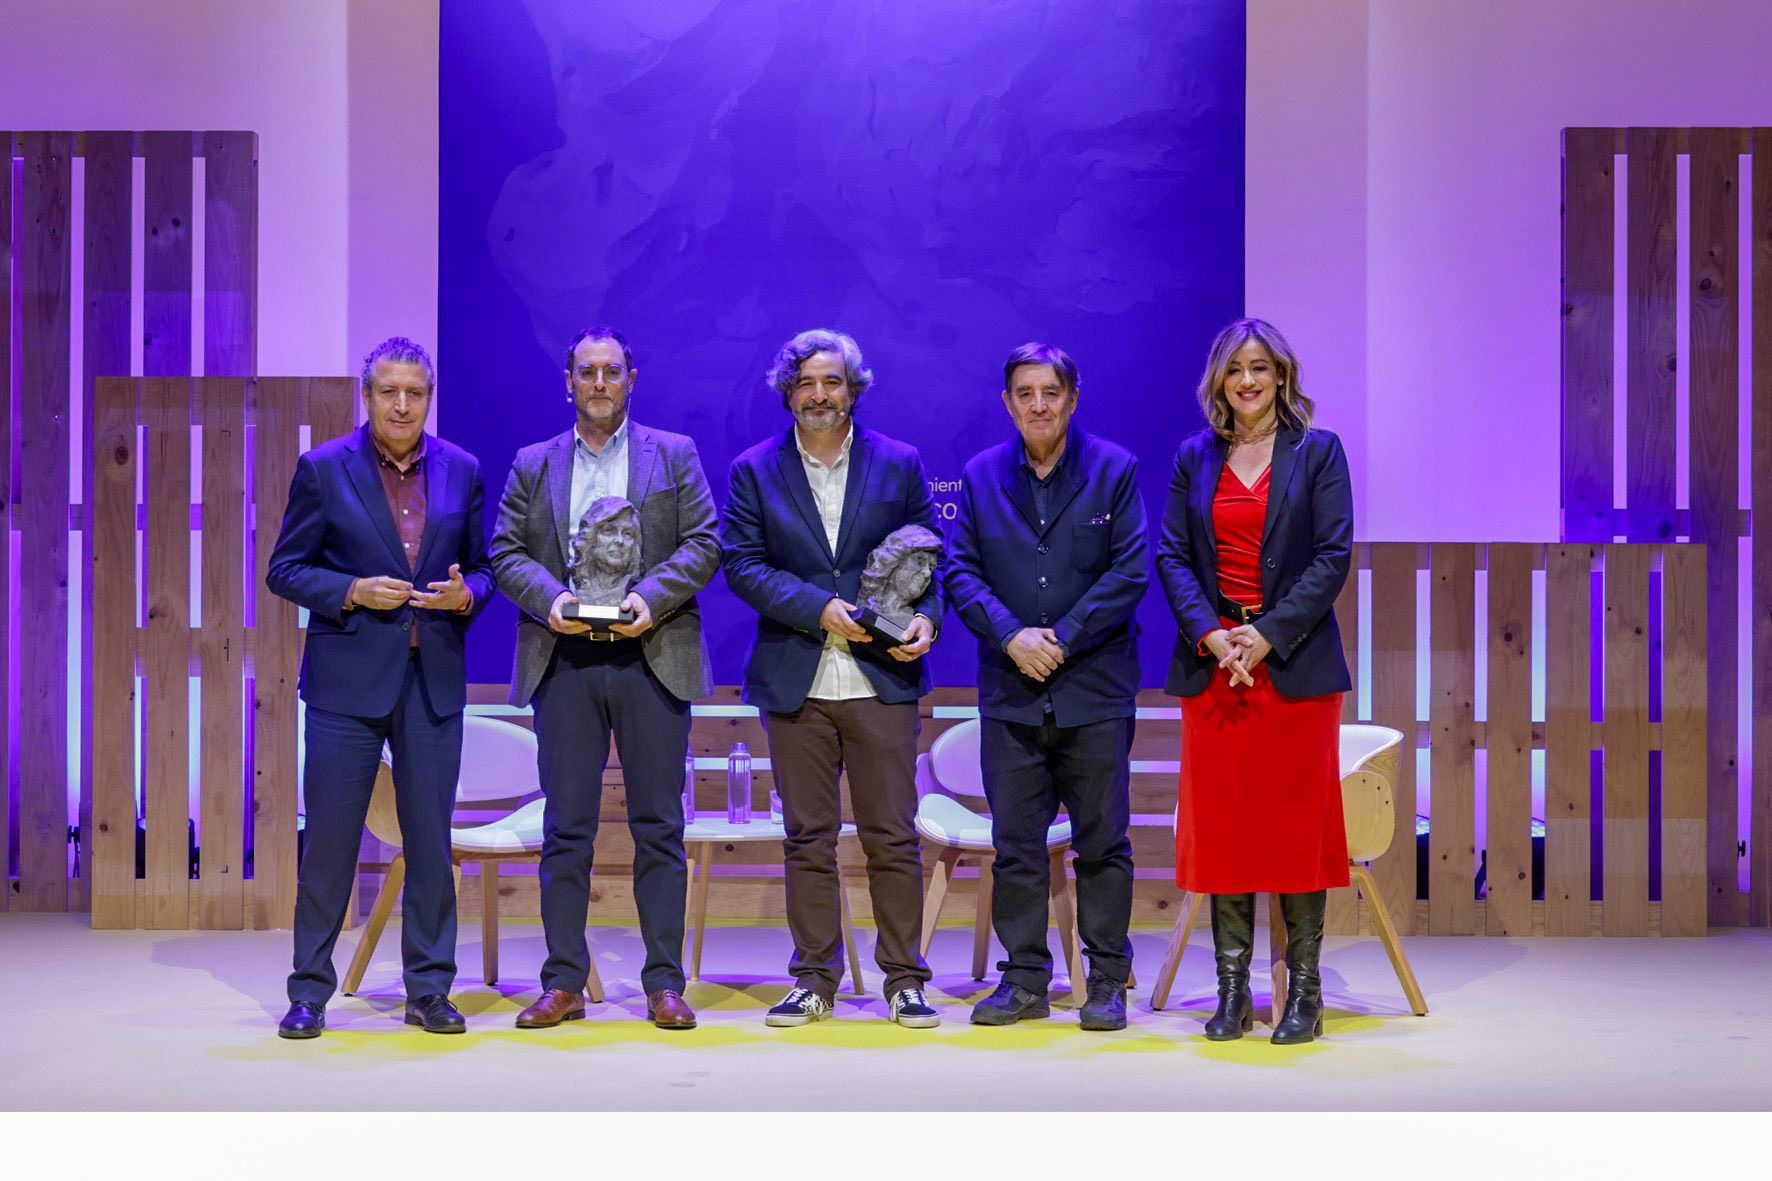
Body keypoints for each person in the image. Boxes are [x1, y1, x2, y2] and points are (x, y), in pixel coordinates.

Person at [490, 327, 721, 1031]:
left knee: (660, 827)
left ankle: (663, 983)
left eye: (611, 372)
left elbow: (706, 541)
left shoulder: (673, 454)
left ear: (631, 379)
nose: (598, 382)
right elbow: (503, 550)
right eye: (586, 372)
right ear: (568, 381)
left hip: (652, 653)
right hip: (564, 658)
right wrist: (549, 598)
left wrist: (648, 597)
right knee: (567, 830)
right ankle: (563, 981)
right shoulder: (534, 463)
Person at [266, 337, 495, 1038]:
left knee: (430, 843)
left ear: (429, 398)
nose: (402, 404)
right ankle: (309, 991)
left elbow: (484, 570)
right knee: (330, 842)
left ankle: (429, 989)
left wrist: (466, 597)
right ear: (367, 397)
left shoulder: (463, 470)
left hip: (432, 682)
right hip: (345, 683)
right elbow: (285, 568)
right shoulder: (323, 468)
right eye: (389, 392)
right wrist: (352, 590)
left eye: (415, 393)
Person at [722, 328, 944, 1029]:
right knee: (807, 836)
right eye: (807, 383)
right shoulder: (753, 471)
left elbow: (930, 560)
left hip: (883, 677)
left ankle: (904, 979)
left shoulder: (900, 463)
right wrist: (817, 608)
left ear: (854, 388)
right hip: (798, 679)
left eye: (833, 382)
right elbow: (744, 566)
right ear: (788, 390)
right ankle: (815, 978)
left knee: (892, 835)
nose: (819, 394)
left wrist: (927, 620)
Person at [1156, 317, 1354, 1045]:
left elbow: (1332, 556)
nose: (1248, 379)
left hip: (1292, 669)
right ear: (1219, 380)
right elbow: (1172, 556)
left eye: (1261, 367)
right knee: (1227, 830)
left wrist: (1266, 635)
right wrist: (1213, 633)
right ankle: (1233, 993)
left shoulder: (1319, 453)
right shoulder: (1193, 457)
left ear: (1282, 376)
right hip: (1215, 666)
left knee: (1295, 830)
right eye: (1235, 368)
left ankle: (1303, 995)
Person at [944, 342, 1147, 1031]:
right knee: (1017, 845)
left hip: (1094, 688)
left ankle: (1108, 980)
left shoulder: (1115, 470)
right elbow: (960, 573)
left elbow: (1129, 573)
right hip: (1012, 692)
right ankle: (1025, 978)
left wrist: (1058, 637)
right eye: (1025, 393)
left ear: (1072, 398)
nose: (1038, 404)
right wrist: (1011, 636)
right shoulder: (978, 476)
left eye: (1051, 392)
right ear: (1008, 403)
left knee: (1103, 842)